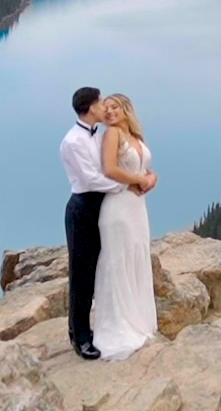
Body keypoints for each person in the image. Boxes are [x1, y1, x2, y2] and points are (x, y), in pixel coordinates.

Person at [90, 93, 159, 360]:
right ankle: (119, 325)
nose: (108, 112)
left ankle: (138, 320)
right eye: (105, 108)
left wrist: (151, 177)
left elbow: (144, 167)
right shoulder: (112, 135)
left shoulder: (135, 138)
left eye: (114, 106)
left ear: (126, 109)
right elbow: (109, 169)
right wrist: (138, 181)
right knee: (117, 259)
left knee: (136, 255)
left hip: (136, 208)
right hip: (117, 207)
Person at [60, 86, 119, 359]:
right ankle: (80, 337)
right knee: (82, 274)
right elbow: (90, 179)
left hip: (101, 205)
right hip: (83, 208)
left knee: (99, 270)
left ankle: (89, 329)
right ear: (91, 107)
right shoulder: (73, 141)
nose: (104, 104)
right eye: (100, 101)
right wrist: (125, 186)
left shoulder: (98, 135)